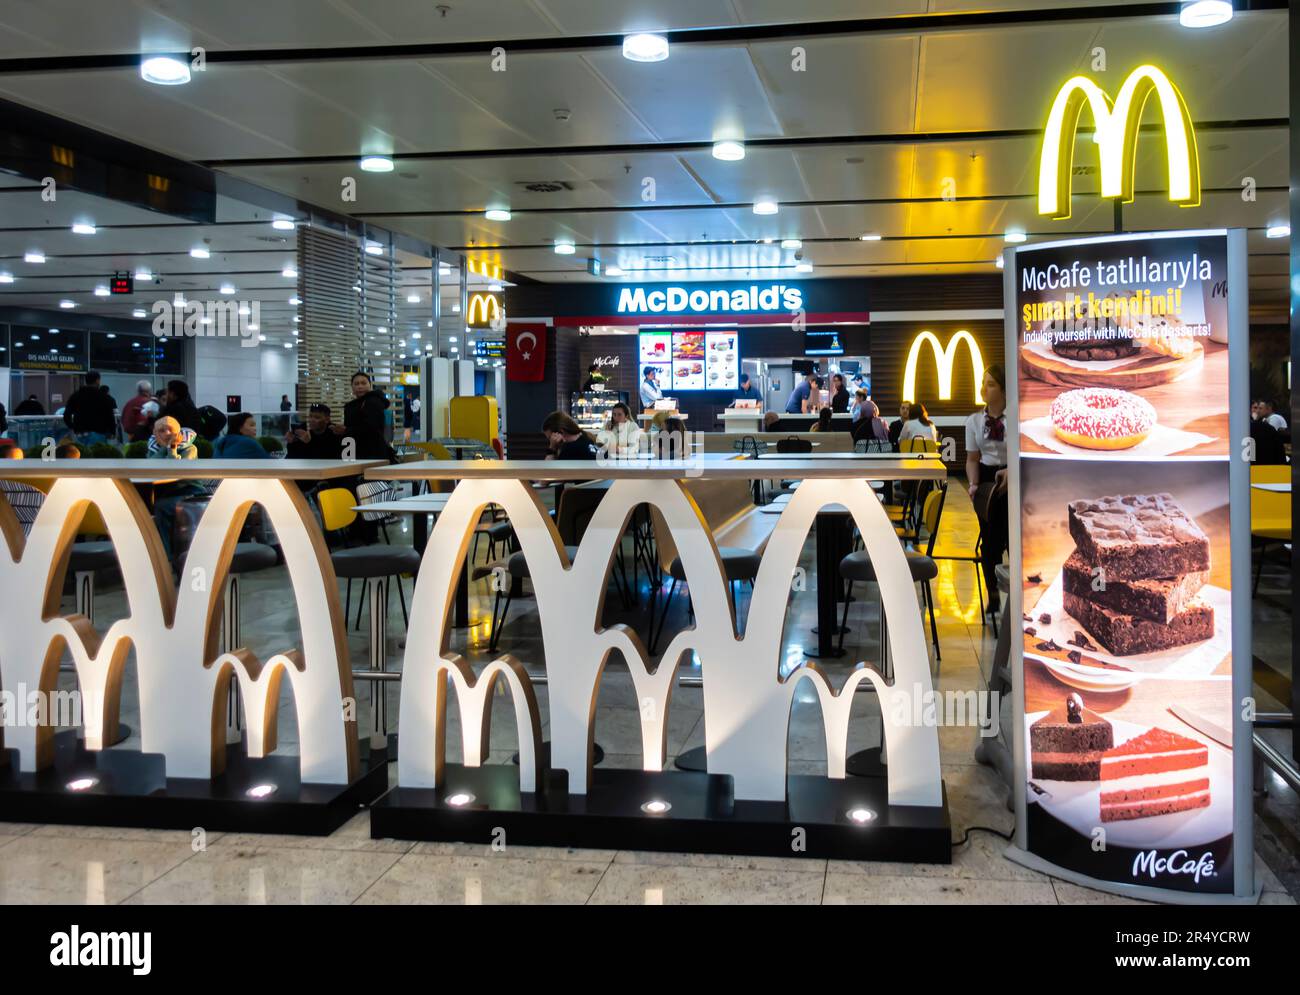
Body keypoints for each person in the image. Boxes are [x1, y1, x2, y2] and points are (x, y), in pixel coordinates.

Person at [965, 366, 1009, 615]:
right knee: (990, 542)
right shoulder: (974, 421)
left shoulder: (1017, 417)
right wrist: (973, 484)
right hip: (986, 481)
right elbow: (972, 459)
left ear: (1004, 389)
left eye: (991, 384)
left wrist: (1012, 470)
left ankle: (1020, 596)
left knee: (1013, 539)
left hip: (1014, 479)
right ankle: (993, 596)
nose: (984, 388)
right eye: (983, 383)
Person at [148, 416, 202, 558]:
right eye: (161, 430)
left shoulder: (190, 448)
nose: (167, 433)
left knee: (161, 507)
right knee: (144, 508)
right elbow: (149, 466)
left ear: (178, 432)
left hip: (190, 492)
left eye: (170, 430)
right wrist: (163, 449)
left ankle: (166, 558)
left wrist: (172, 449)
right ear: (155, 434)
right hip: (166, 492)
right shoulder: (154, 449)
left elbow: (177, 471)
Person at [331, 371, 396, 461]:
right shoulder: (353, 405)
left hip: (372, 452)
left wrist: (346, 430)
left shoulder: (373, 402)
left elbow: (372, 427)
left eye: (363, 383)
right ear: (352, 387)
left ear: (370, 385)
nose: (360, 386)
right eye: (356, 384)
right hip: (356, 450)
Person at [63, 371, 116, 444]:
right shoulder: (104, 397)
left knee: (81, 451)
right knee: (96, 451)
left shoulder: (76, 396)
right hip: (99, 432)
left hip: (80, 433)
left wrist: (74, 427)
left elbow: (66, 415)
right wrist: (112, 431)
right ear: (97, 380)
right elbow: (110, 416)